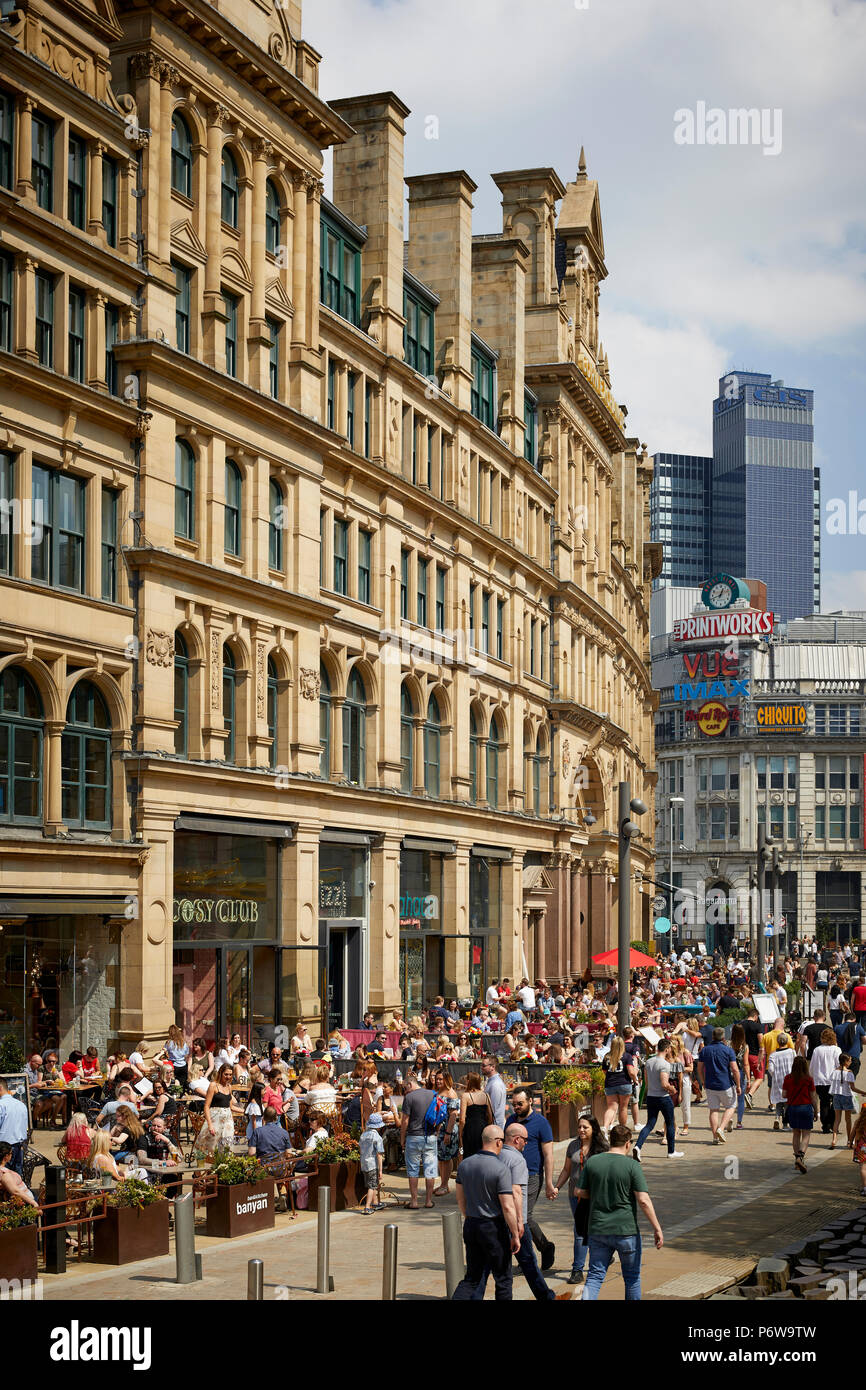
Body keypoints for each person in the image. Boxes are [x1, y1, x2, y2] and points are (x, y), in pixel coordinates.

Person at [577, 1123, 664, 1301]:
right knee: (632, 1278)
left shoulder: (593, 1161)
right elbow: (643, 1200)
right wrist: (657, 1228)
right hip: (626, 1231)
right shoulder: (632, 1166)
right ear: (627, 1143)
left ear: (610, 1141)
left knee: (594, 1276)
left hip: (598, 1229)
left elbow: (579, 1192)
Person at [496, 1125, 571, 1301]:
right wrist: (520, 1223)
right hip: (514, 1221)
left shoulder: (497, 1157)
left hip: (496, 1220)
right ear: (516, 1139)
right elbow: (516, 1192)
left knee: (497, 1268)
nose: (526, 1143)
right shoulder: (517, 1160)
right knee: (528, 1262)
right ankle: (548, 1298)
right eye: (525, 1140)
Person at [451, 1125, 521, 1300]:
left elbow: (460, 1199)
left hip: (472, 1224)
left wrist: (470, 1217)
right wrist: (515, 1234)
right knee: (503, 1278)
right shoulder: (500, 1168)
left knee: (472, 1278)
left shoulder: (464, 1164)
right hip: (493, 1227)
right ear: (498, 1142)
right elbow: (507, 1206)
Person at [553, 1114, 609, 1288]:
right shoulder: (573, 1145)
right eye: (579, 1127)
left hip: (595, 1196)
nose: (581, 1130)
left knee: (593, 1230)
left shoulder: (602, 1147)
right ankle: (577, 1270)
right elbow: (566, 1170)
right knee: (580, 1231)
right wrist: (556, 1187)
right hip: (575, 1195)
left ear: (594, 1128)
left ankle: (599, 1261)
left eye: (585, 1127)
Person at [504, 1089, 556, 1268]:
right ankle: (532, 1251)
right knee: (512, 1215)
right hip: (509, 1175)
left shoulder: (541, 1123)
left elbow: (549, 1155)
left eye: (520, 1104)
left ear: (531, 1102)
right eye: (514, 1104)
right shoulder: (510, 1121)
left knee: (524, 1217)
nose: (516, 1107)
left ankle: (538, 1251)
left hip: (532, 1175)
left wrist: (549, 1183)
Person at [634, 1040, 684, 1159]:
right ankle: (671, 1151)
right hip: (663, 1097)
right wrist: (672, 1089)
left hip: (651, 1096)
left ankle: (638, 1146)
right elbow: (664, 1084)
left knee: (650, 1124)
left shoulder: (649, 1062)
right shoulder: (665, 1064)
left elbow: (646, 1081)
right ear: (667, 1049)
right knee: (670, 1123)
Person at [399, 1075, 438, 1210]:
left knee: (413, 1170)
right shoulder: (433, 1094)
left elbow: (405, 1121)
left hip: (414, 1136)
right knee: (430, 1169)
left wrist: (402, 1138)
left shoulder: (409, 1098)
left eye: (405, 1087)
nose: (405, 1091)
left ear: (410, 1084)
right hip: (430, 1136)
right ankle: (428, 1201)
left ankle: (414, 1201)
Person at [697, 1028, 740, 1145]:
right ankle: (721, 1128)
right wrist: (739, 1085)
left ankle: (715, 1136)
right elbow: (735, 1069)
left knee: (713, 1110)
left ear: (712, 1037)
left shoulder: (705, 1050)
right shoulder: (728, 1050)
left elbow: (699, 1068)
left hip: (710, 1084)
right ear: (723, 1037)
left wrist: (703, 1081)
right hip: (725, 1083)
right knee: (731, 1106)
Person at [782, 1056, 819, 1173]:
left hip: (792, 1108)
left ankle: (797, 1160)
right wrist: (816, 1110)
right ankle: (800, 1157)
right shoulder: (809, 1079)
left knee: (796, 1134)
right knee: (806, 1134)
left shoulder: (788, 1078)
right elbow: (813, 1097)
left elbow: (784, 1095)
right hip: (806, 1107)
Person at [200, 1064, 243, 1153]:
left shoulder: (229, 1087)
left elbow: (230, 1106)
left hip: (227, 1120)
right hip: (215, 1118)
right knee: (212, 1147)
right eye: (226, 1074)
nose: (228, 1077)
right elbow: (206, 1106)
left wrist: (245, 1111)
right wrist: (210, 1124)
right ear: (220, 1073)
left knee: (227, 1145)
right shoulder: (213, 1085)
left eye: (230, 1075)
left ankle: (225, 1164)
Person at [432, 1070, 460, 1196]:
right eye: (436, 1079)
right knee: (440, 1158)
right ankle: (443, 1184)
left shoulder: (451, 1093)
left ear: (446, 1079)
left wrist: (448, 1133)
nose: (438, 1081)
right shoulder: (438, 1091)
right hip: (439, 1130)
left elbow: (453, 1115)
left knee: (446, 1158)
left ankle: (445, 1184)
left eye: (440, 1079)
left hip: (447, 1130)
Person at [809, 1028, 842, 1134]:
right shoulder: (836, 1050)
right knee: (834, 1102)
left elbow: (812, 1066)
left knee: (824, 1102)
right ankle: (832, 1123)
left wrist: (812, 1076)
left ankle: (825, 1125)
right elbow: (839, 1065)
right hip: (833, 1079)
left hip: (820, 1080)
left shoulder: (817, 1050)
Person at [601, 1036, 637, 1131]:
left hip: (610, 1084)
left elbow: (604, 1071)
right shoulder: (627, 1056)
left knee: (611, 1108)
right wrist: (635, 1080)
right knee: (623, 1108)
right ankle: (622, 1129)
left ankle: (605, 1127)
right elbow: (631, 1072)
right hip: (624, 1083)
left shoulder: (607, 1056)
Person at [829, 1053, 865, 1148]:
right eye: (849, 1060)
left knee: (837, 1120)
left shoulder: (834, 1072)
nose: (850, 1062)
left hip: (836, 1096)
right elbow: (853, 1088)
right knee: (848, 1120)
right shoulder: (849, 1073)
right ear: (845, 1062)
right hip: (846, 1097)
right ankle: (849, 1141)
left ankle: (834, 1139)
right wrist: (863, 1092)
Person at [459, 1071, 492, 1161]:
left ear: (469, 1081)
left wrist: (460, 1135)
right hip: (483, 1128)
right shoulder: (486, 1095)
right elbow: (490, 1116)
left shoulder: (465, 1096)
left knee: (469, 1156)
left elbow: (462, 1120)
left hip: (470, 1129)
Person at [0, 1078, 29, 1175]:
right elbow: (25, 1127)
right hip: (19, 1146)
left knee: (4, 1179)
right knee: (16, 1178)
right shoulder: (21, 1104)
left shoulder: (1, 1105)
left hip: (4, 1148)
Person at [768, 1033, 795, 1129]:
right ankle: (785, 1124)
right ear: (787, 1041)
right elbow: (795, 1065)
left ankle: (777, 1117)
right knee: (787, 1102)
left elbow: (770, 1069)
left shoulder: (773, 1055)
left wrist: (775, 1075)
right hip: (789, 1079)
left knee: (779, 1101)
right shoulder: (792, 1052)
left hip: (777, 1080)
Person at [359, 1112, 385, 1213]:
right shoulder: (377, 1137)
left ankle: (375, 1202)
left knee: (372, 1184)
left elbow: (360, 1150)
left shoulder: (363, 1135)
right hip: (373, 1165)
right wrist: (381, 1170)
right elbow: (379, 1154)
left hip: (364, 1164)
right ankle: (367, 1206)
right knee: (372, 1186)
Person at [0, 1141, 38, 1206]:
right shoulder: (4, 1173)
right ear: (6, 1156)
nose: (12, 1155)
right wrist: (34, 1203)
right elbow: (15, 1191)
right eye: (11, 1153)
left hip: (26, 1200)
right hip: (25, 1204)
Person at [729, 1023, 751, 1132]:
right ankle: (739, 1122)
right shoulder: (745, 1046)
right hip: (741, 1072)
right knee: (741, 1099)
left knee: (730, 1098)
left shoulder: (728, 1044)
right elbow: (746, 1063)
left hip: (729, 1072)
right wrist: (748, 1078)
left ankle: (729, 1117)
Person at [481, 1055, 506, 1128]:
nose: (481, 1068)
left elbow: (493, 1110)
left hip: (494, 1128)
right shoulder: (492, 1082)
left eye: (483, 1065)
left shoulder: (495, 1085)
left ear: (493, 1067)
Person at [852, 1104, 866, 1196]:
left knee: (863, 1168)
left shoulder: (858, 1122)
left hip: (862, 1148)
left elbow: (852, 1134)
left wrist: (850, 1142)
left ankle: (865, 1187)